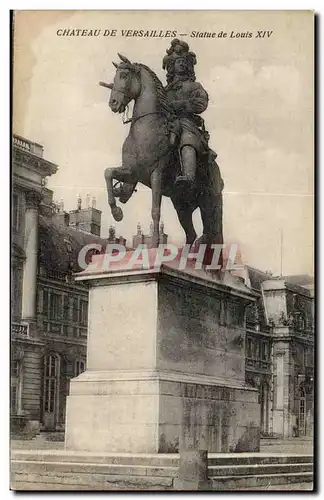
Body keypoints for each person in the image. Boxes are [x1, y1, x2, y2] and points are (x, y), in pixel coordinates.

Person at [163, 39, 211, 189]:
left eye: (184, 61)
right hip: (167, 124)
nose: (182, 64)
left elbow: (201, 103)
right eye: (178, 61)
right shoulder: (164, 90)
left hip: (187, 123)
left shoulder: (195, 86)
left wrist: (182, 105)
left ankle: (189, 176)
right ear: (172, 65)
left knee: (187, 140)